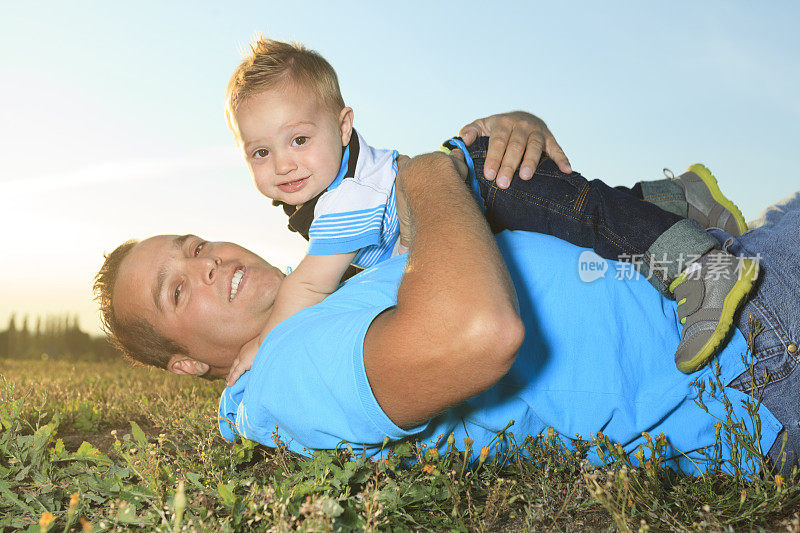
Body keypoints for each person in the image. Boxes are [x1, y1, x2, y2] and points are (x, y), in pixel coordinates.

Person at [95, 129, 800, 476]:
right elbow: (475, 329)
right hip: (749, 355)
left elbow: (440, 225)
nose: (208, 262)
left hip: (737, 288)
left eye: (192, 245)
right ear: (186, 364)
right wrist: (435, 170)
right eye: (179, 288)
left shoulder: (324, 283)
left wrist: (506, 133)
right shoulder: (280, 375)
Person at [223, 37, 756, 381]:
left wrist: (262, 344)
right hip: (471, 201)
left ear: (343, 128)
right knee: (575, 218)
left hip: (480, 186)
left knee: (583, 216)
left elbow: (311, 285)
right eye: (261, 152)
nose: (284, 165)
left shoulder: (342, 203)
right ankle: (679, 199)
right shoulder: (334, 185)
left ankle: (700, 267)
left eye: (298, 139)